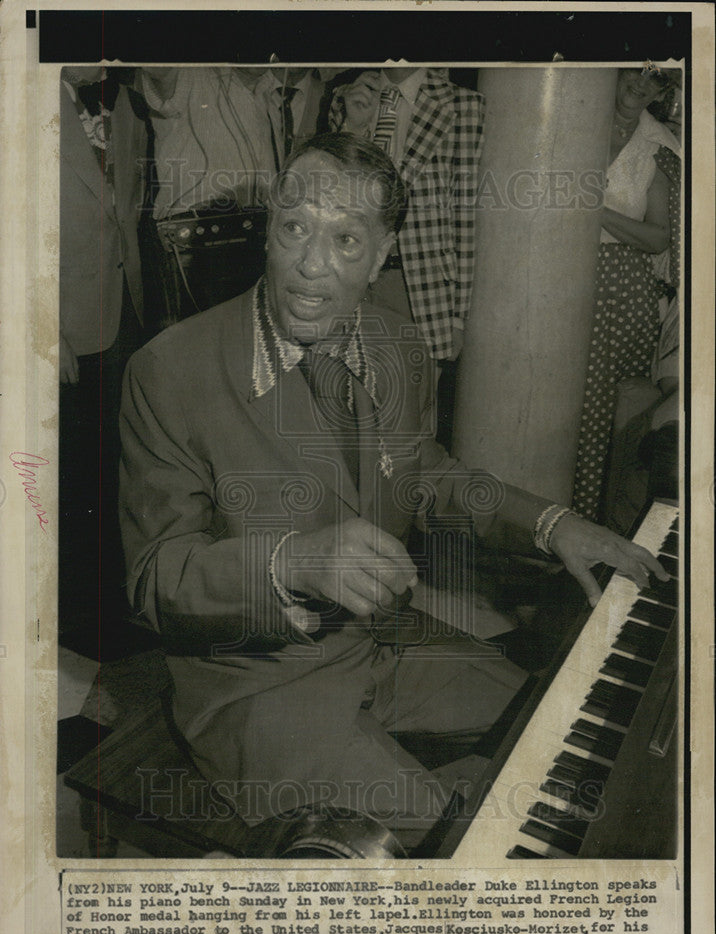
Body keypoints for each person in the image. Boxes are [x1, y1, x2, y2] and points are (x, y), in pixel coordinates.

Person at [119, 134, 667, 843]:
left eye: (346, 240)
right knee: (468, 835)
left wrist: (551, 524)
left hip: (384, 642)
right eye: (294, 229)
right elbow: (152, 577)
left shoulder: (398, 345)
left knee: (566, 726)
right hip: (255, 684)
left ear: (381, 256)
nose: (310, 267)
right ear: (268, 234)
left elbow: (426, 474)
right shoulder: (168, 371)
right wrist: (292, 563)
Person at [59, 67, 148, 640]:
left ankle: (118, 604)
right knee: (72, 475)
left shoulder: (126, 108)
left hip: (125, 309)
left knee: (119, 464)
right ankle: (75, 616)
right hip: (66, 324)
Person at [572, 67, 681, 521]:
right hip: (558, 275)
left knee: (601, 412)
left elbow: (659, 237)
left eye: (656, 80)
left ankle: (593, 521)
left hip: (622, 287)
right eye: (636, 70)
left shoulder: (658, 148)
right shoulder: (573, 117)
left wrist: (592, 215)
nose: (641, 84)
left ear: (663, 92)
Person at [329, 67, 484, 365]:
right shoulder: (345, 98)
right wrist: (352, 126)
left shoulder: (462, 104)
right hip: (350, 274)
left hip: (418, 288)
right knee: (343, 396)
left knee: (414, 401)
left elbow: (464, 216)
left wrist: (458, 316)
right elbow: (333, 197)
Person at [137, 67, 276, 331]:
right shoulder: (191, 74)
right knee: (195, 356)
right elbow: (158, 68)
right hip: (193, 249)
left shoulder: (268, 87)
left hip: (254, 244)